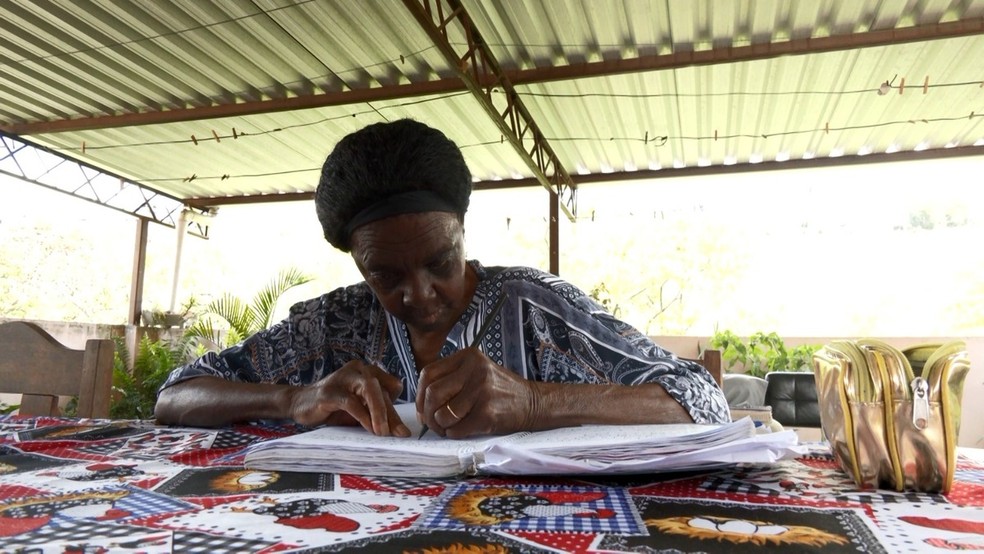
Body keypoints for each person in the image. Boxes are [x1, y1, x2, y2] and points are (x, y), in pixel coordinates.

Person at [154, 119, 730, 438]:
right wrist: (294, 397)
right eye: (386, 276)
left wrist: (534, 402)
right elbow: (176, 396)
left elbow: (703, 401)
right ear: (356, 263)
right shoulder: (333, 325)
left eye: (440, 262)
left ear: (461, 229)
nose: (421, 295)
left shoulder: (537, 310)